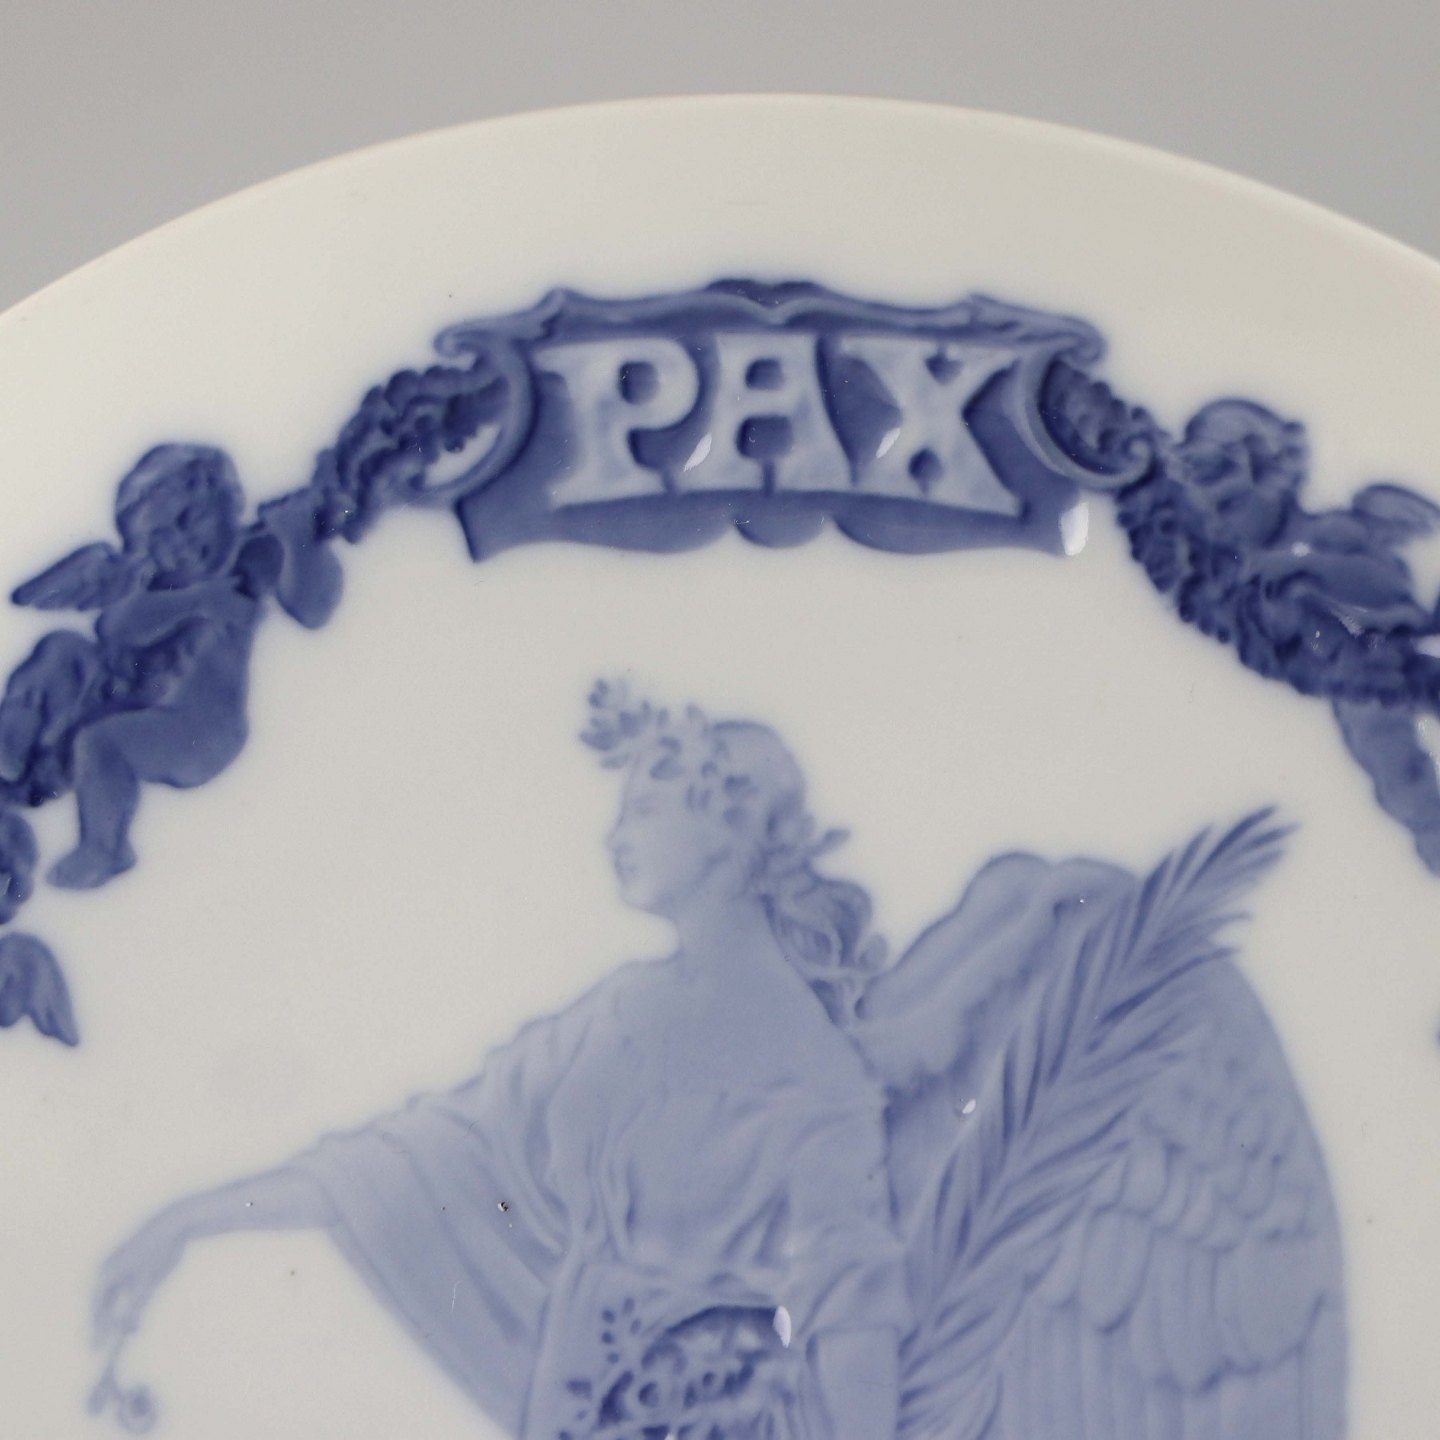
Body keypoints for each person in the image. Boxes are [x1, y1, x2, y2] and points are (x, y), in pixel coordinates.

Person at [91, 687, 910, 1440]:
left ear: (728, 825)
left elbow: (854, 1325)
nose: (615, 837)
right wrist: (190, 1220)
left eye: (644, 811)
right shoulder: (624, 1013)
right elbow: (412, 1157)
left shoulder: (817, 1082)